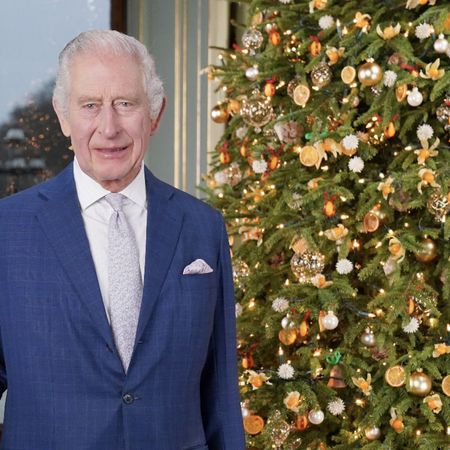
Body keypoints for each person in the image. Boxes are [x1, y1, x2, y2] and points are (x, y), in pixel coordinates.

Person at [0, 30, 245, 450]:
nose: (108, 127)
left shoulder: (203, 227)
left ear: (156, 113)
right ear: (62, 115)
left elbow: (220, 394)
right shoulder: (8, 229)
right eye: (90, 105)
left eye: (126, 104)